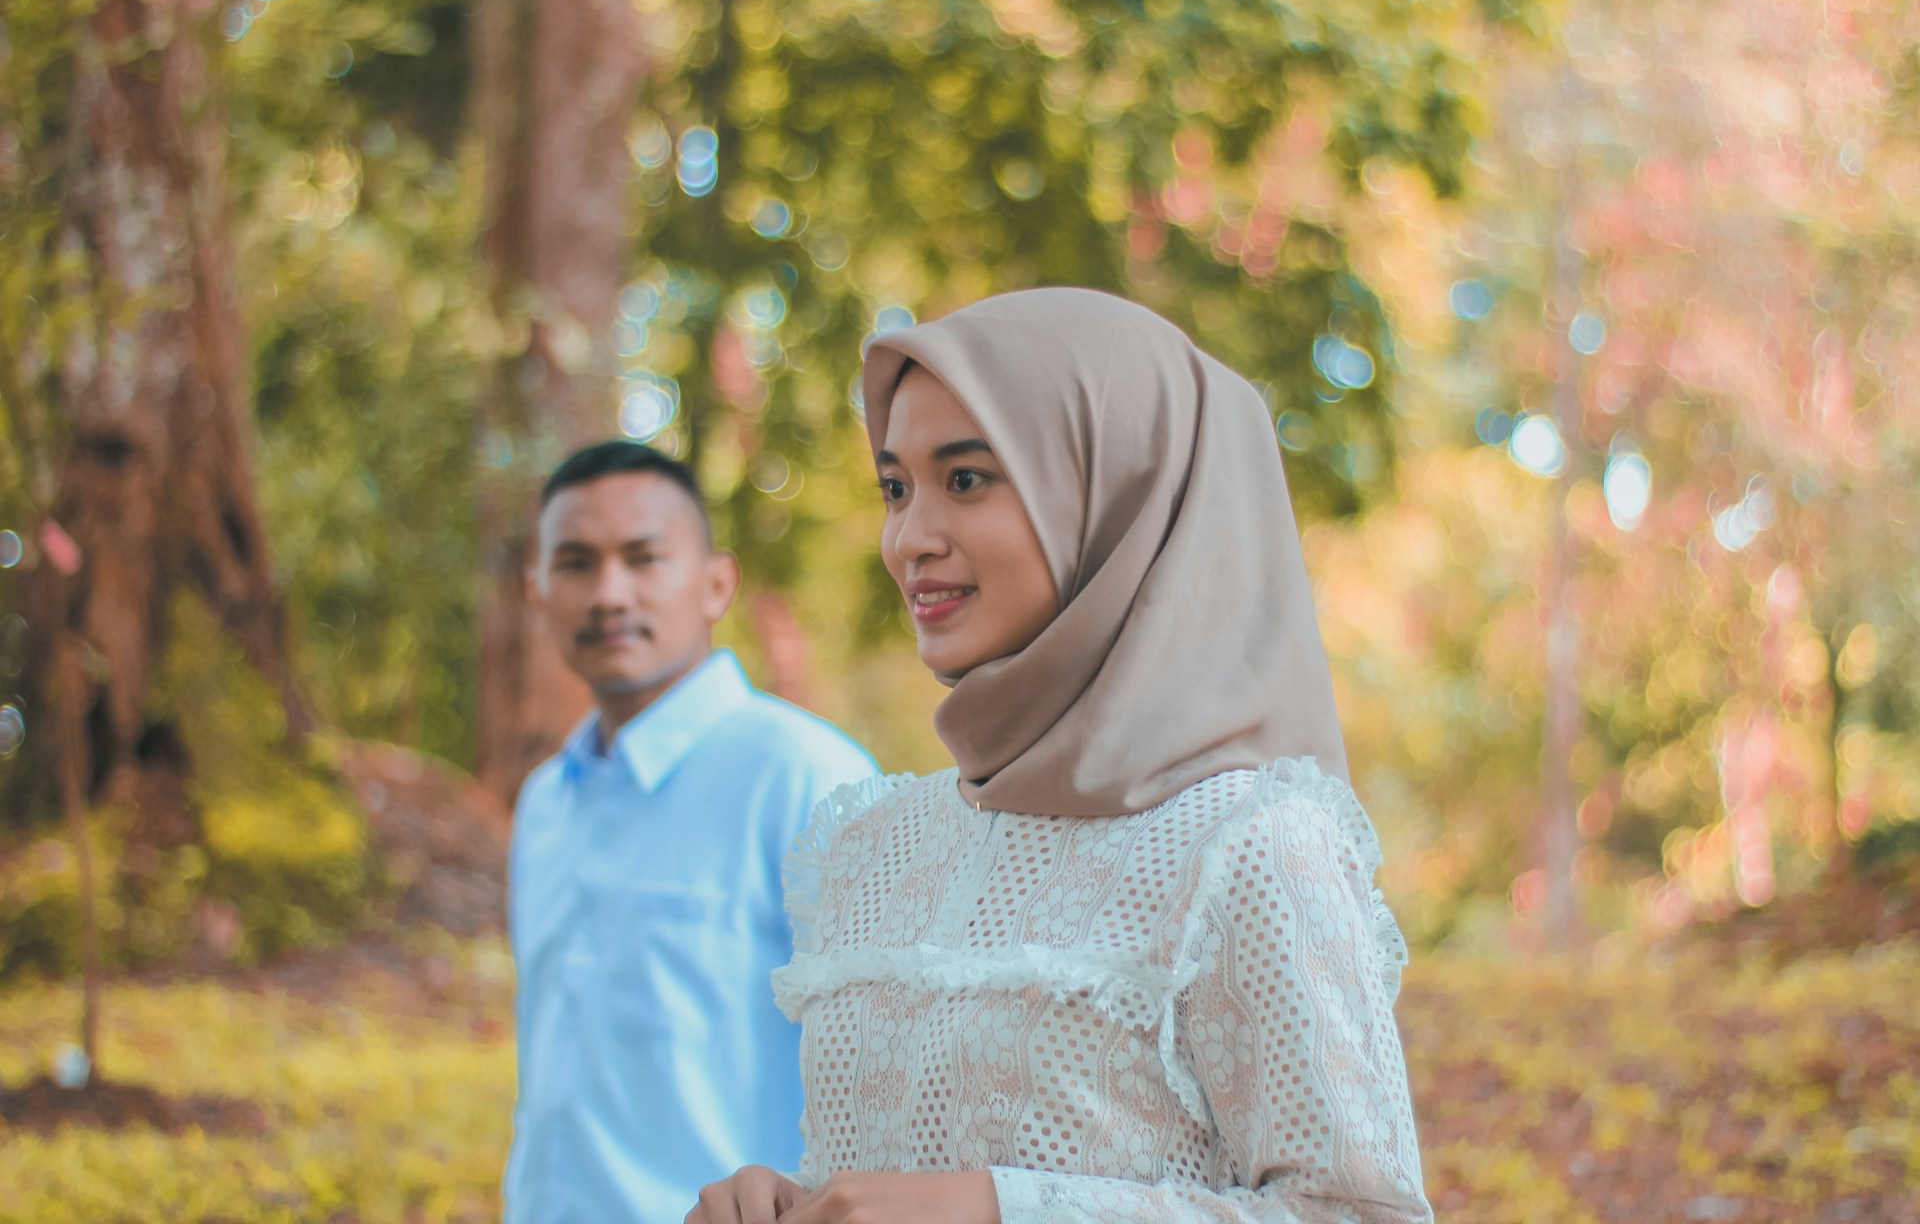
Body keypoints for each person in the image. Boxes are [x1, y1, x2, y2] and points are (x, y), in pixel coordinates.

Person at [689, 289, 1432, 1224]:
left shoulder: (1248, 845)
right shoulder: (872, 849)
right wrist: (793, 1201)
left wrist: (1002, 1209)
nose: (910, 538)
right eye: (895, 487)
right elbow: (892, 1176)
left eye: (966, 480)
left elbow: (1360, 1213)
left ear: (1113, 490)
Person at [505, 440, 880, 1224]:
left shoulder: (807, 779)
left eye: (644, 558)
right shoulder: (545, 802)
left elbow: (890, 1073)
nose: (609, 593)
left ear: (716, 584)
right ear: (537, 590)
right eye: (575, 564)